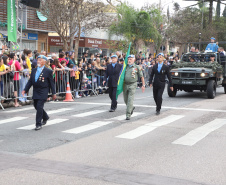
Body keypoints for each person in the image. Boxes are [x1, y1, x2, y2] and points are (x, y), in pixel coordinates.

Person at [22, 55, 56, 131]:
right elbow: (30, 81)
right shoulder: (34, 70)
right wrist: (25, 89)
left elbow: (52, 83)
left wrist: (54, 93)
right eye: (38, 60)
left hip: (44, 91)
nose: (38, 61)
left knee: (40, 106)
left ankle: (38, 124)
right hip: (36, 90)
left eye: (40, 60)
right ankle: (45, 117)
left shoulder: (48, 71)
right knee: (36, 105)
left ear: (44, 62)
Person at [123, 55, 145, 120]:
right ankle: (131, 108)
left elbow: (141, 76)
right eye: (128, 59)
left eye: (131, 59)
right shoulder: (125, 67)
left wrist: (143, 85)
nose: (129, 60)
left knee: (130, 99)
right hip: (125, 84)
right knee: (125, 100)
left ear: (134, 60)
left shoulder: (137, 67)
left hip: (133, 84)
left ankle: (128, 114)